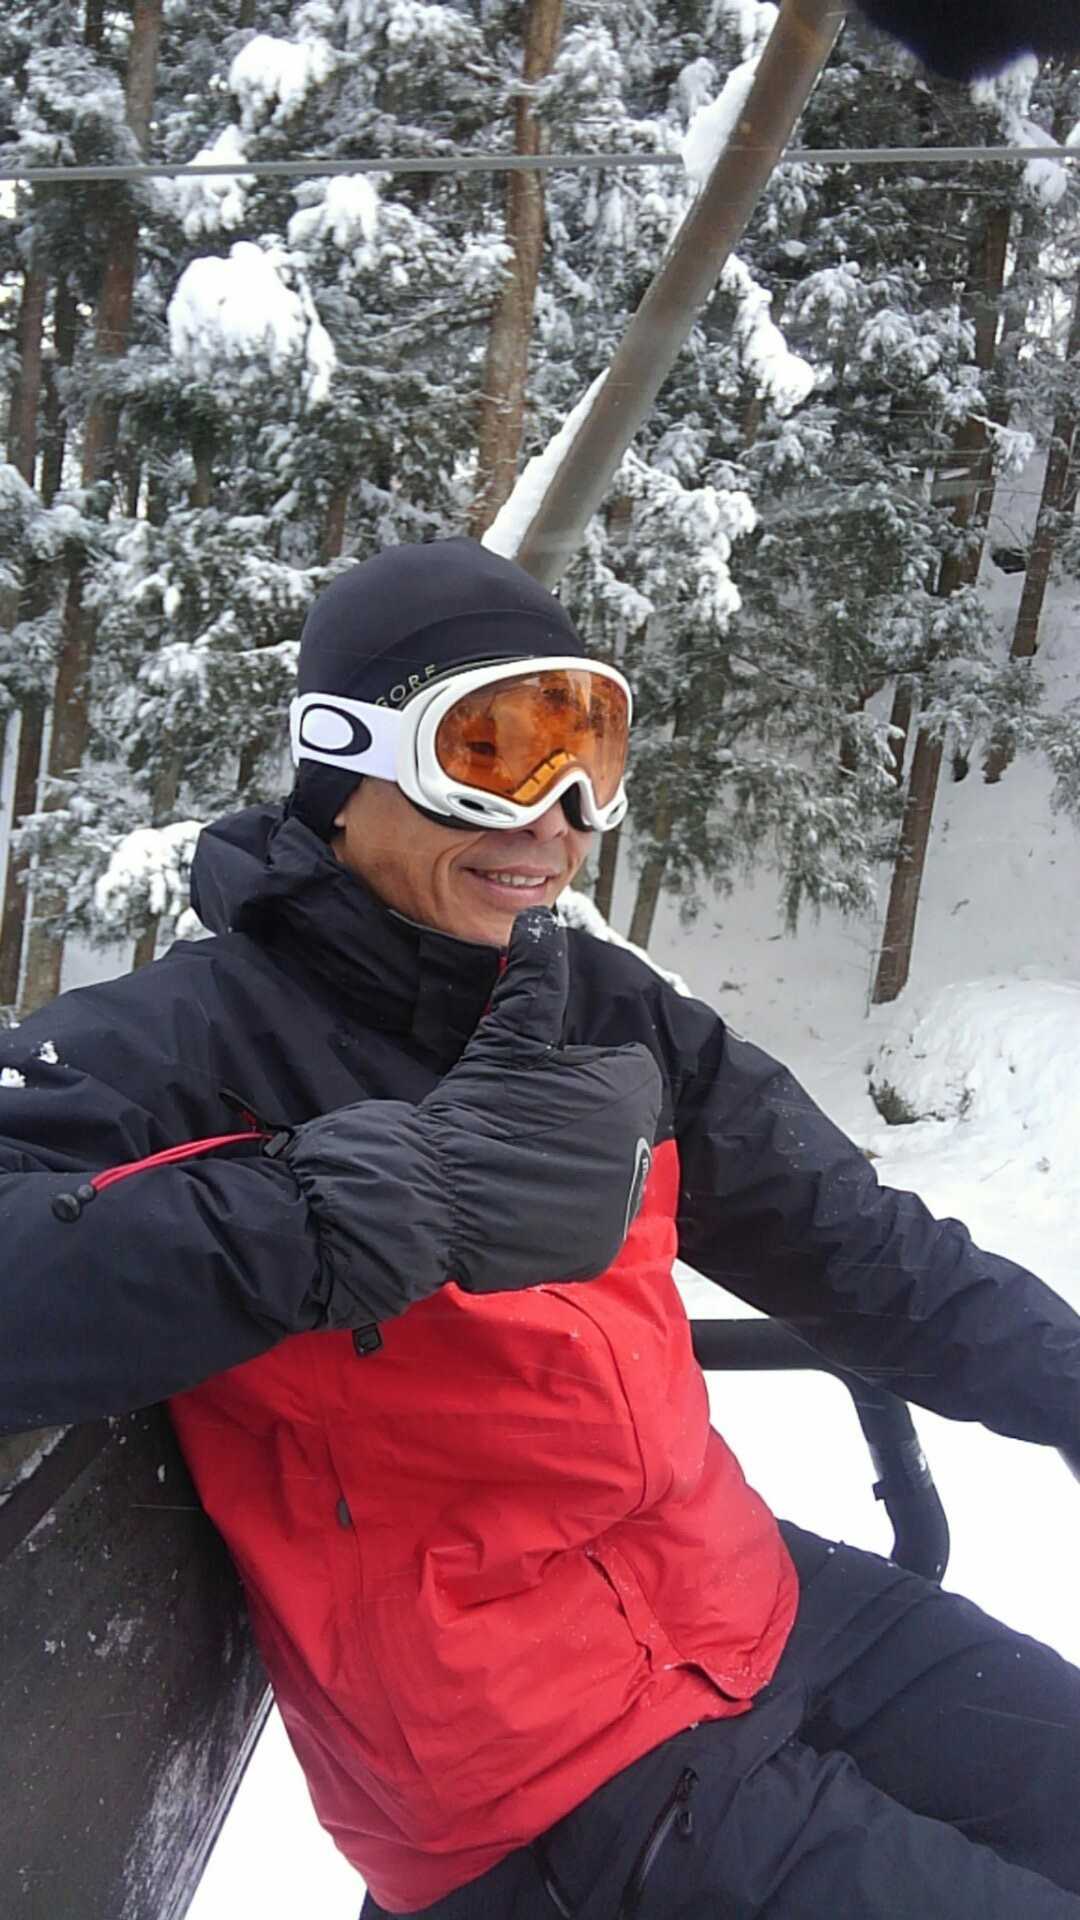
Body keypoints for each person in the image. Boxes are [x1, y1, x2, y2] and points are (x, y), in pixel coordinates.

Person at [1, 538, 1078, 1920]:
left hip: (750, 1599)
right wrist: (364, 1205)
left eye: (588, 756)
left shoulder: (604, 1016)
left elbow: (866, 1253)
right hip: (534, 1766)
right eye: (494, 751)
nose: (555, 820)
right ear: (344, 762)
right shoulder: (182, 1049)